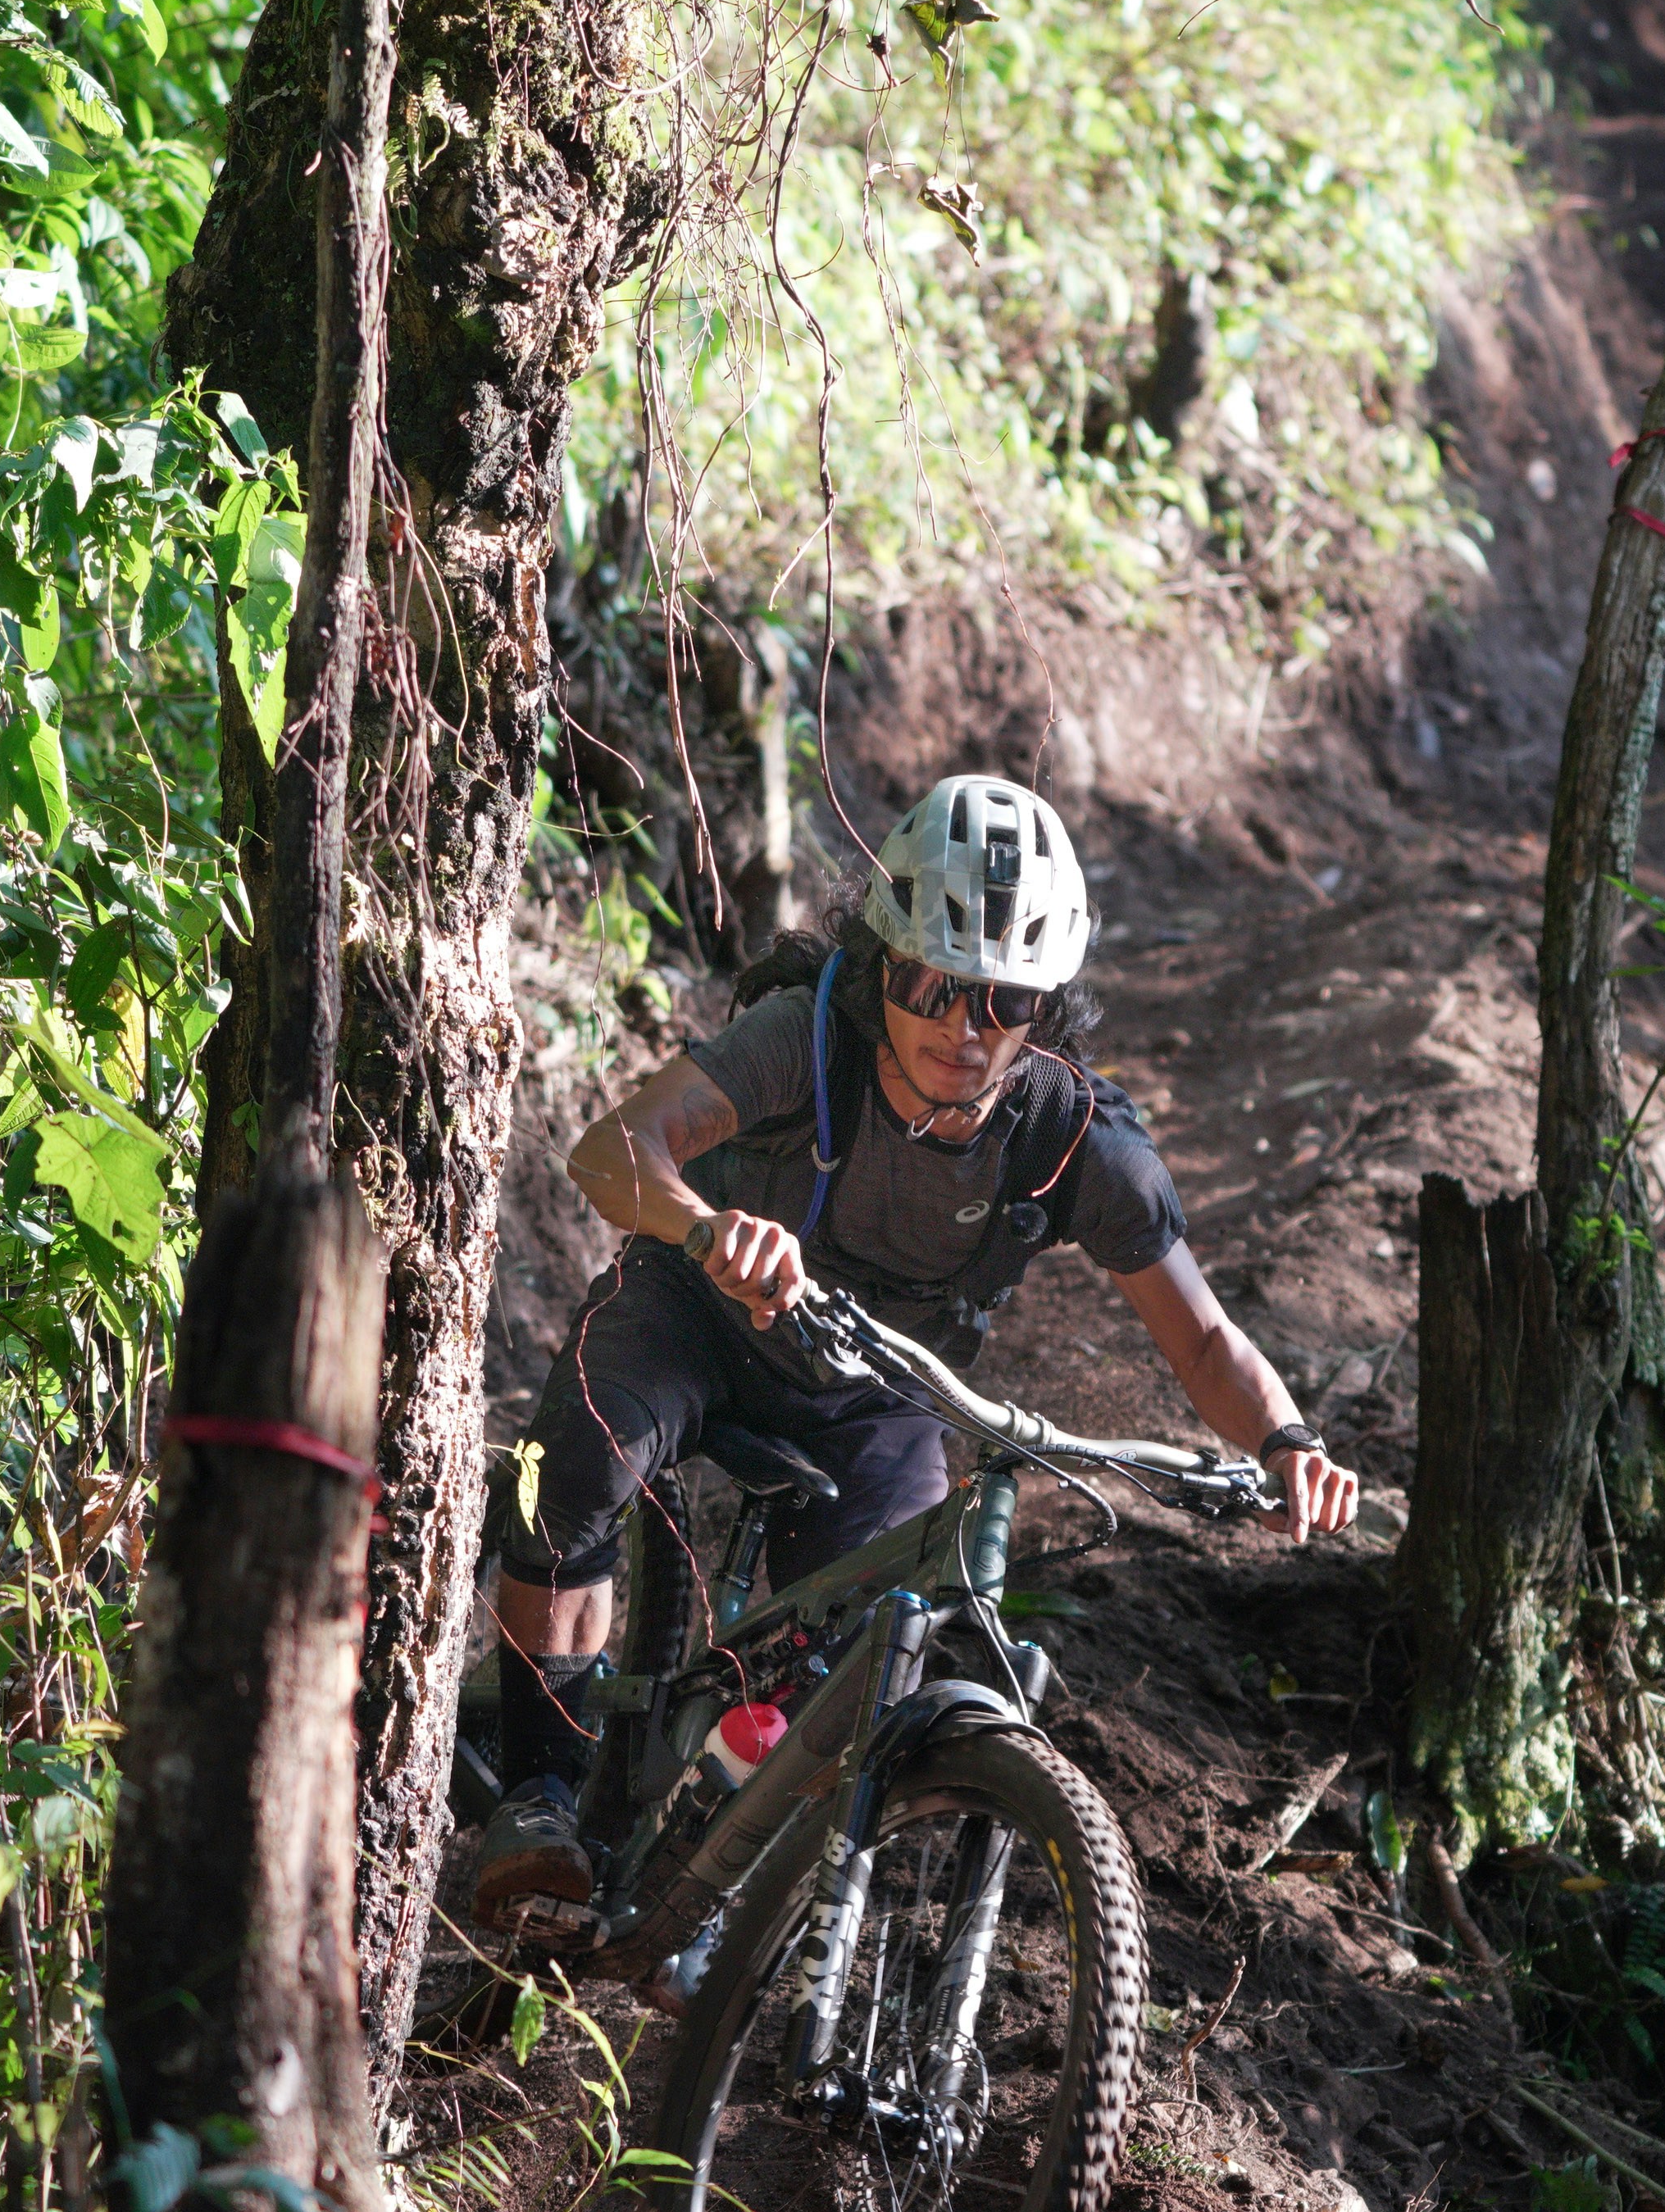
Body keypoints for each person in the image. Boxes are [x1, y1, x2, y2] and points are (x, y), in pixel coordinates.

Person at [469, 772, 1362, 1922]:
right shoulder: (805, 1039)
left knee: (880, 1646)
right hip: (695, 1315)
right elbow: (610, 1152)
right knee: (580, 1457)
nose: (961, 1027)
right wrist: (708, 1228)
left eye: (1001, 1002)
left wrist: (1289, 1442)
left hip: (873, 1387)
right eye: (937, 984)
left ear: (1041, 1010)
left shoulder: (1072, 1138)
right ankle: (537, 1788)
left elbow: (1203, 1340)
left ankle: (742, 1902)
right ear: (887, 964)